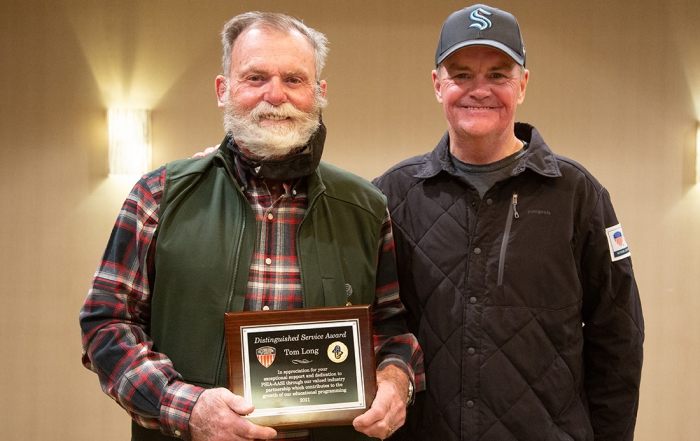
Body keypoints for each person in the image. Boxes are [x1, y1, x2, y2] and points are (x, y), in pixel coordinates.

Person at [79, 12, 423, 441]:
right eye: (255, 77)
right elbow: (106, 324)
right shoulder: (158, 196)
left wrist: (395, 380)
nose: (275, 95)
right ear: (224, 91)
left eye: (294, 80)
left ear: (319, 93)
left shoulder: (365, 208)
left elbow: (391, 327)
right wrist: (187, 408)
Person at [372, 4, 644, 441]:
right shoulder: (391, 195)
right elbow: (374, 325)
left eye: (498, 75)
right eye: (461, 74)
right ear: (437, 84)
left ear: (523, 85)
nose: (478, 89)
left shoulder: (579, 195)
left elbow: (618, 341)